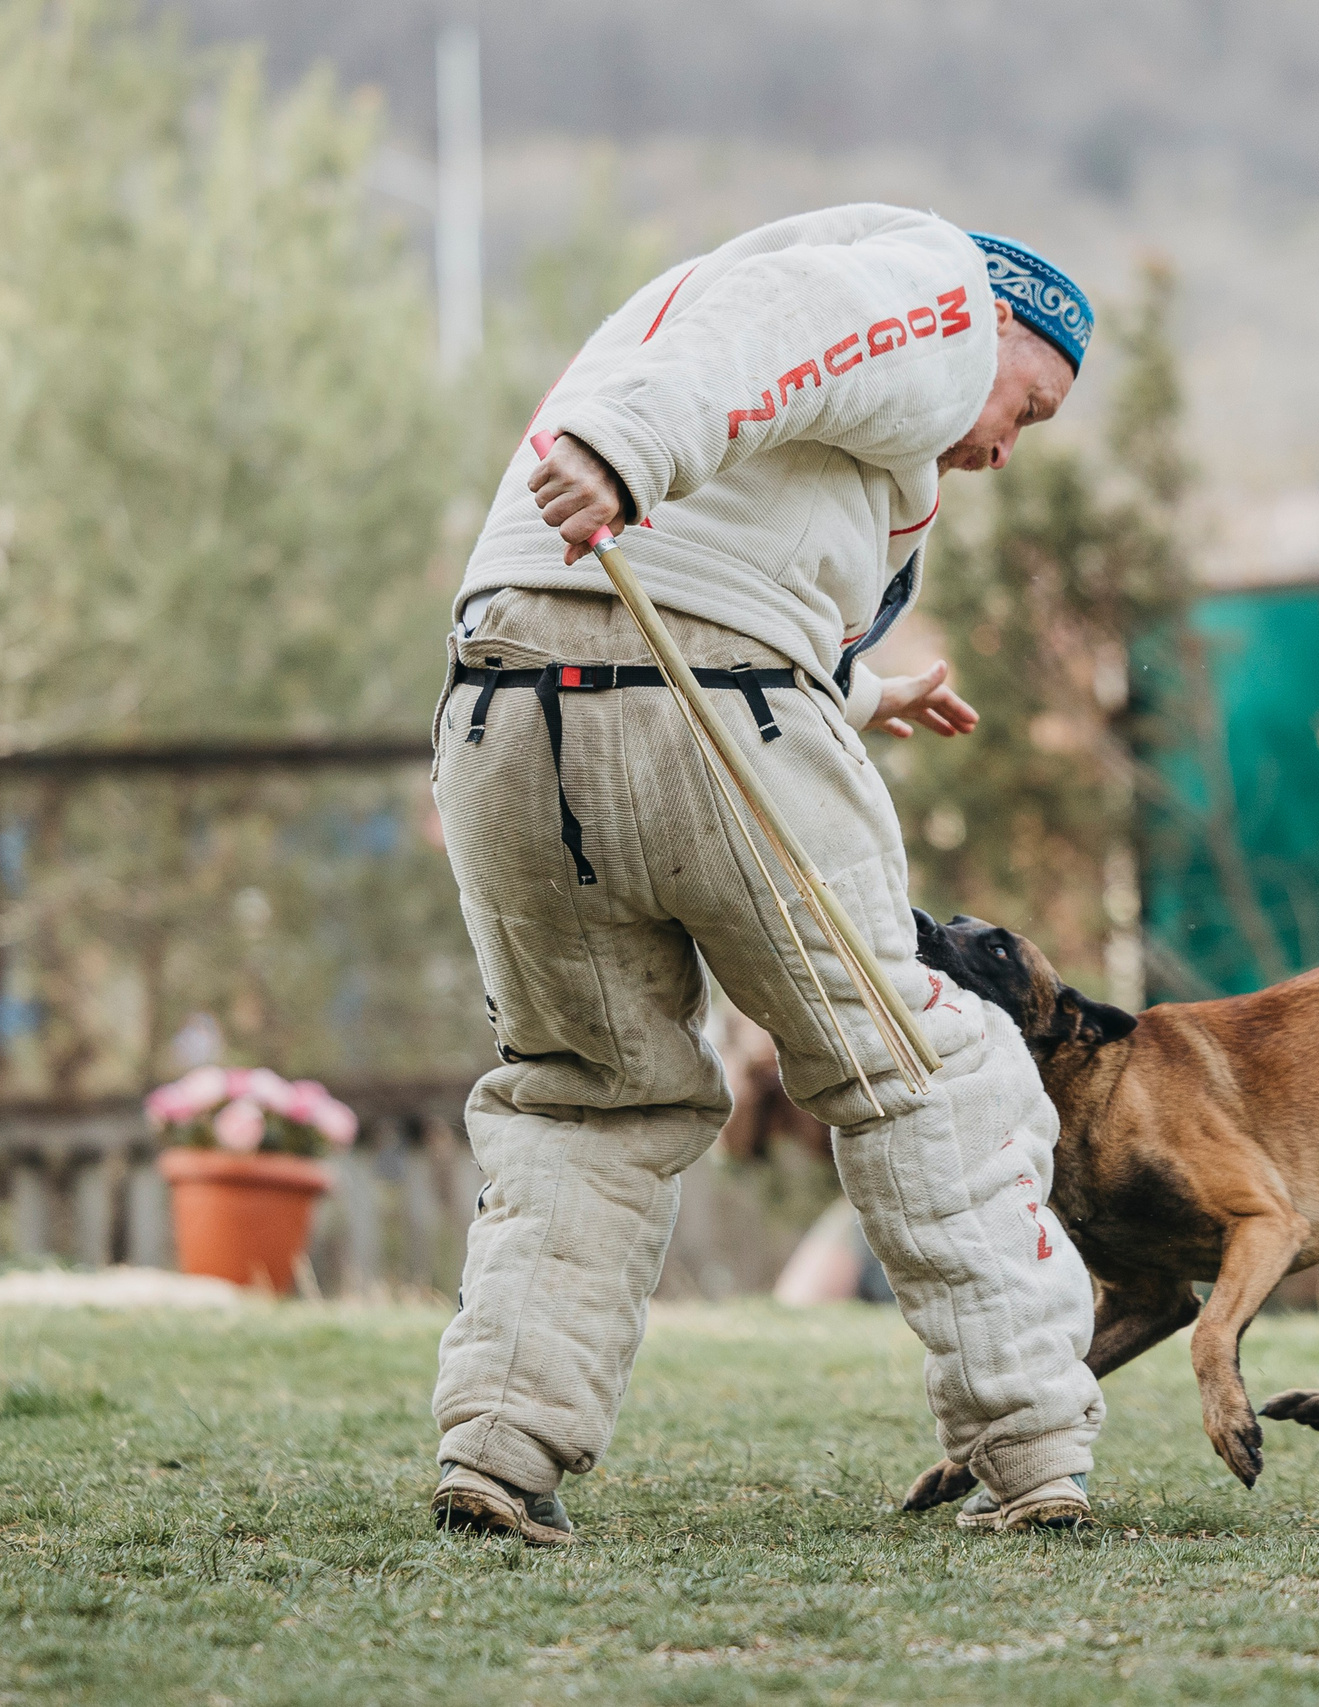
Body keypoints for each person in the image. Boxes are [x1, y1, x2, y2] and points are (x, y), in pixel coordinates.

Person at [427, 205, 1104, 1545]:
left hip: (501, 708)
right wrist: (630, 453)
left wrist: (846, 694)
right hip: (720, 700)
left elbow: (661, 607)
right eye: (1028, 405)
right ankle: (1034, 1451)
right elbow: (782, 337)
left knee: (584, 1094)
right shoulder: (940, 294)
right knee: (925, 1065)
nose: (1003, 448)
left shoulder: (675, 300)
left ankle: (499, 1449)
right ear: (1003, 329)